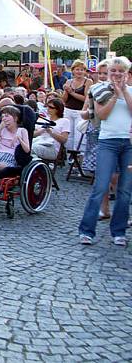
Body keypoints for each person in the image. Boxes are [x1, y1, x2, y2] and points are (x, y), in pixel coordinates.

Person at [78, 56, 132, 247]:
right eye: (113, 71)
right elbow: (102, 115)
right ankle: (86, 230)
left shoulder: (131, 90)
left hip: (129, 143)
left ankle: (118, 231)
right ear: (108, 73)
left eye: (121, 71)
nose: (117, 74)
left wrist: (124, 91)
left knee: (125, 190)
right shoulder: (99, 89)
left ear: (127, 73)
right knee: (100, 186)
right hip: (108, 141)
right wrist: (115, 95)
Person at [63, 60, 92, 152]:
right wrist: (66, 91)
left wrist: (72, 92)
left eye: (82, 70)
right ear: (73, 71)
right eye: (77, 69)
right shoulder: (69, 81)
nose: (79, 72)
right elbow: (64, 99)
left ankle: (79, 157)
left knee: (79, 136)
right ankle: (70, 157)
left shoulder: (88, 82)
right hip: (68, 110)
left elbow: (86, 98)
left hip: (80, 111)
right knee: (69, 135)